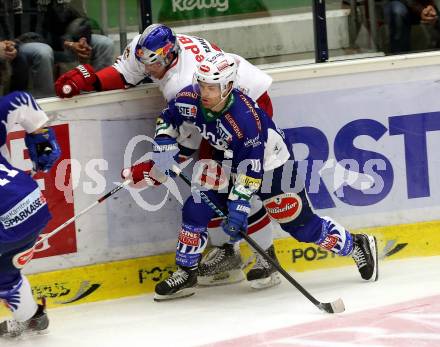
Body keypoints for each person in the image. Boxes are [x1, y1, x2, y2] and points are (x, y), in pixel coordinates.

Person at [126, 52, 379, 301]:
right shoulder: (191, 97)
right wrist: (162, 142)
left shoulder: (244, 120)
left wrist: (237, 208)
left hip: (271, 166)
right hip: (226, 158)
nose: (204, 92)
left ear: (228, 87)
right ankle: (187, 272)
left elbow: (249, 173)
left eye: (212, 87)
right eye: (202, 84)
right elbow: (168, 118)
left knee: (300, 227)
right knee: (196, 207)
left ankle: (357, 244)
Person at [56, 24, 281, 289]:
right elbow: (125, 73)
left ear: (170, 55)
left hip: (246, 109)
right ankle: (228, 253)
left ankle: (267, 257)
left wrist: (153, 170)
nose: (147, 71)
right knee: (208, 187)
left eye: (153, 65)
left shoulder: (184, 82)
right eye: (144, 62)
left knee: (233, 187)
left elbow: (186, 144)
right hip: (215, 103)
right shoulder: (148, 47)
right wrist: (88, 82)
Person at [0, 91, 61, 337]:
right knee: (6, 273)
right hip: (32, 200)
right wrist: (43, 141)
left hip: (6, 211)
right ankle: (33, 317)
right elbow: (21, 100)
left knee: (6, 275)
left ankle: (29, 315)